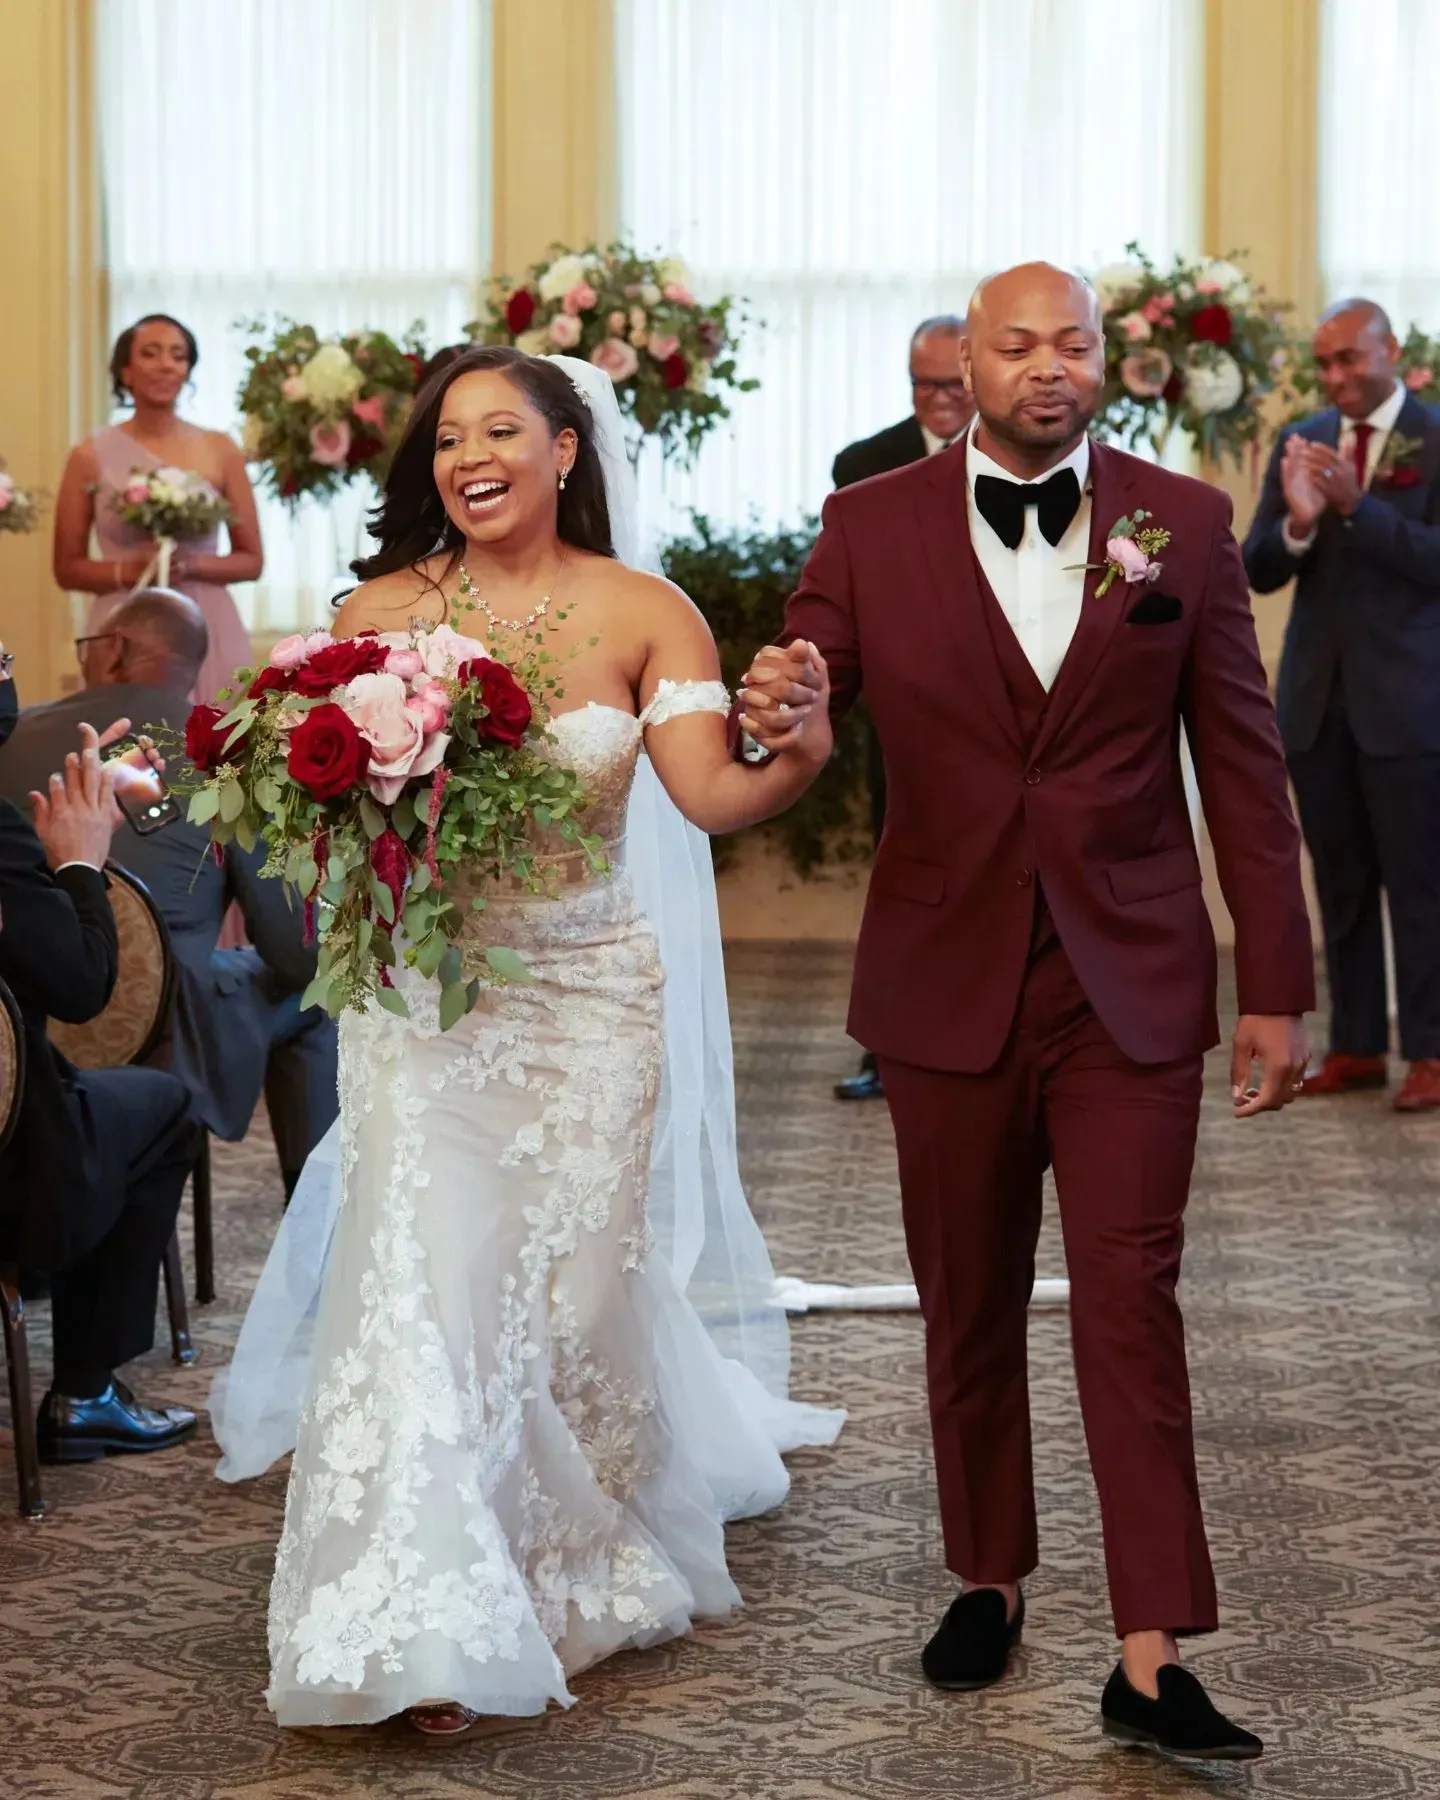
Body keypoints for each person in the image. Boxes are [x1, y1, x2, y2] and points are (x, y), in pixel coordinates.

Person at [209, 347, 844, 1735]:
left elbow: (711, 795)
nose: (469, 455)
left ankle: (562, 1556)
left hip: (592, 997)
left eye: (503, 428)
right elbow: (326, 811)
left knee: (574, 1295)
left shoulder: (645, 612)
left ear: (568, 451)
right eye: (448, 437)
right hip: (428, 1003)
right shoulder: (374, 611)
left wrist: (796, 755)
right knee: (425, 1291)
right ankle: (432, 1610)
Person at [738, 263, 1314, 1763]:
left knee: (1133, 1302)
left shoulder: (1179, 523)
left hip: (1131, 980)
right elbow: (810, 683)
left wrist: (1280, 986)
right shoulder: (869, 527)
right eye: (1017, 346)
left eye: (1073, 343)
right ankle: (987, 1576)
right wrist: (785, 704)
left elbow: (1242, 768)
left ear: (1103, 361)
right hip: (944, 979)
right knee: (969, 1302)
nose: (1048, 367)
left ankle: (1150, 1654)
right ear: (962, 369)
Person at [0, 589, 337, 1197]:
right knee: (318, 998)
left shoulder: (15, 734)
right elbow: (292, 948)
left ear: (115, 651)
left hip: (29, 1021)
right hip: (165, 1026)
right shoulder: (228, 752)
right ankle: (313, 1212)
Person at [0, 649, 197, 1461]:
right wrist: (79, 862)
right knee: (161, 1108)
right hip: (13, 1174)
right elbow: (82, 987)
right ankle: (84, 1392)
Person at [1243, 299, 1440, 1111]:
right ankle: (1357, 1044)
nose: (1336, 378)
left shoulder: (1434, 437)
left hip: (1411, 704)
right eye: (1325, 364)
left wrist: (1361, 509)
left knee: (1422, 884)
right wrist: (1296, 521)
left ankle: (1431, 1050)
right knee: (1342, 884)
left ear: (1389, 350)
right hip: (1318, 707)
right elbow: (1256, 567)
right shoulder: (1306, 439)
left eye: (1350, 360)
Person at [831, 316, 975, 1101]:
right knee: (905, 878)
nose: (942, 399)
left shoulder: (1028, 457)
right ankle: (889, 1049)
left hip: (1007, 720)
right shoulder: (864, 465)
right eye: (926, 385)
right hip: (908, 716)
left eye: (954, 384)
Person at [52, 314, 261, 705]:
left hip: (208, 623)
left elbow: (251, 560)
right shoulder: (88, 455)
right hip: (123, 623)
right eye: (151, 353)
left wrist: (192, 566)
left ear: (188, 370)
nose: (167, 364)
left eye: (178, 356)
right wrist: (128, 571)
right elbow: (66, 567)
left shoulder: (221, 449)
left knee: (215, 751)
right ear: (126, 372)